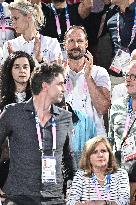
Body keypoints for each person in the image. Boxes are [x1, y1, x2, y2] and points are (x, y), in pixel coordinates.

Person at [0, 63, 76, 205]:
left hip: (54, 198)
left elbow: (68, 157)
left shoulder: (65, 117)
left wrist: (73, 187)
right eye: (60, 84)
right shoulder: (12, 112)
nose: (64, 89)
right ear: (45, 86)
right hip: (19, 197)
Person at [64, 25, 111, 135]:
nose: (76, 45)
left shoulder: (100, 72)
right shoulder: (58, 74)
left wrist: (88, 77)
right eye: (71, 41)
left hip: (94, 140)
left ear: (86, 44)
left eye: (80, 41)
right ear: (65, 45)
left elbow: (102, 108)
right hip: (68, 138)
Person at [0, 51, 35, 193]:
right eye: (17, 67)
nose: (22, 71)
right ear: (10, 71)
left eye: (26, 67)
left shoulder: (40, 100)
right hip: (6, 166)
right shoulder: (2, 102)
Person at [66, 136, 130, 205]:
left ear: (109, 154)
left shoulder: (121, 174)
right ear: (88, 157)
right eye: (95, 152)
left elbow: (125, 200)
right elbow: (71, 201)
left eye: (103, 151)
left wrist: (106, 203)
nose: (100, 155)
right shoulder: (81, 175)